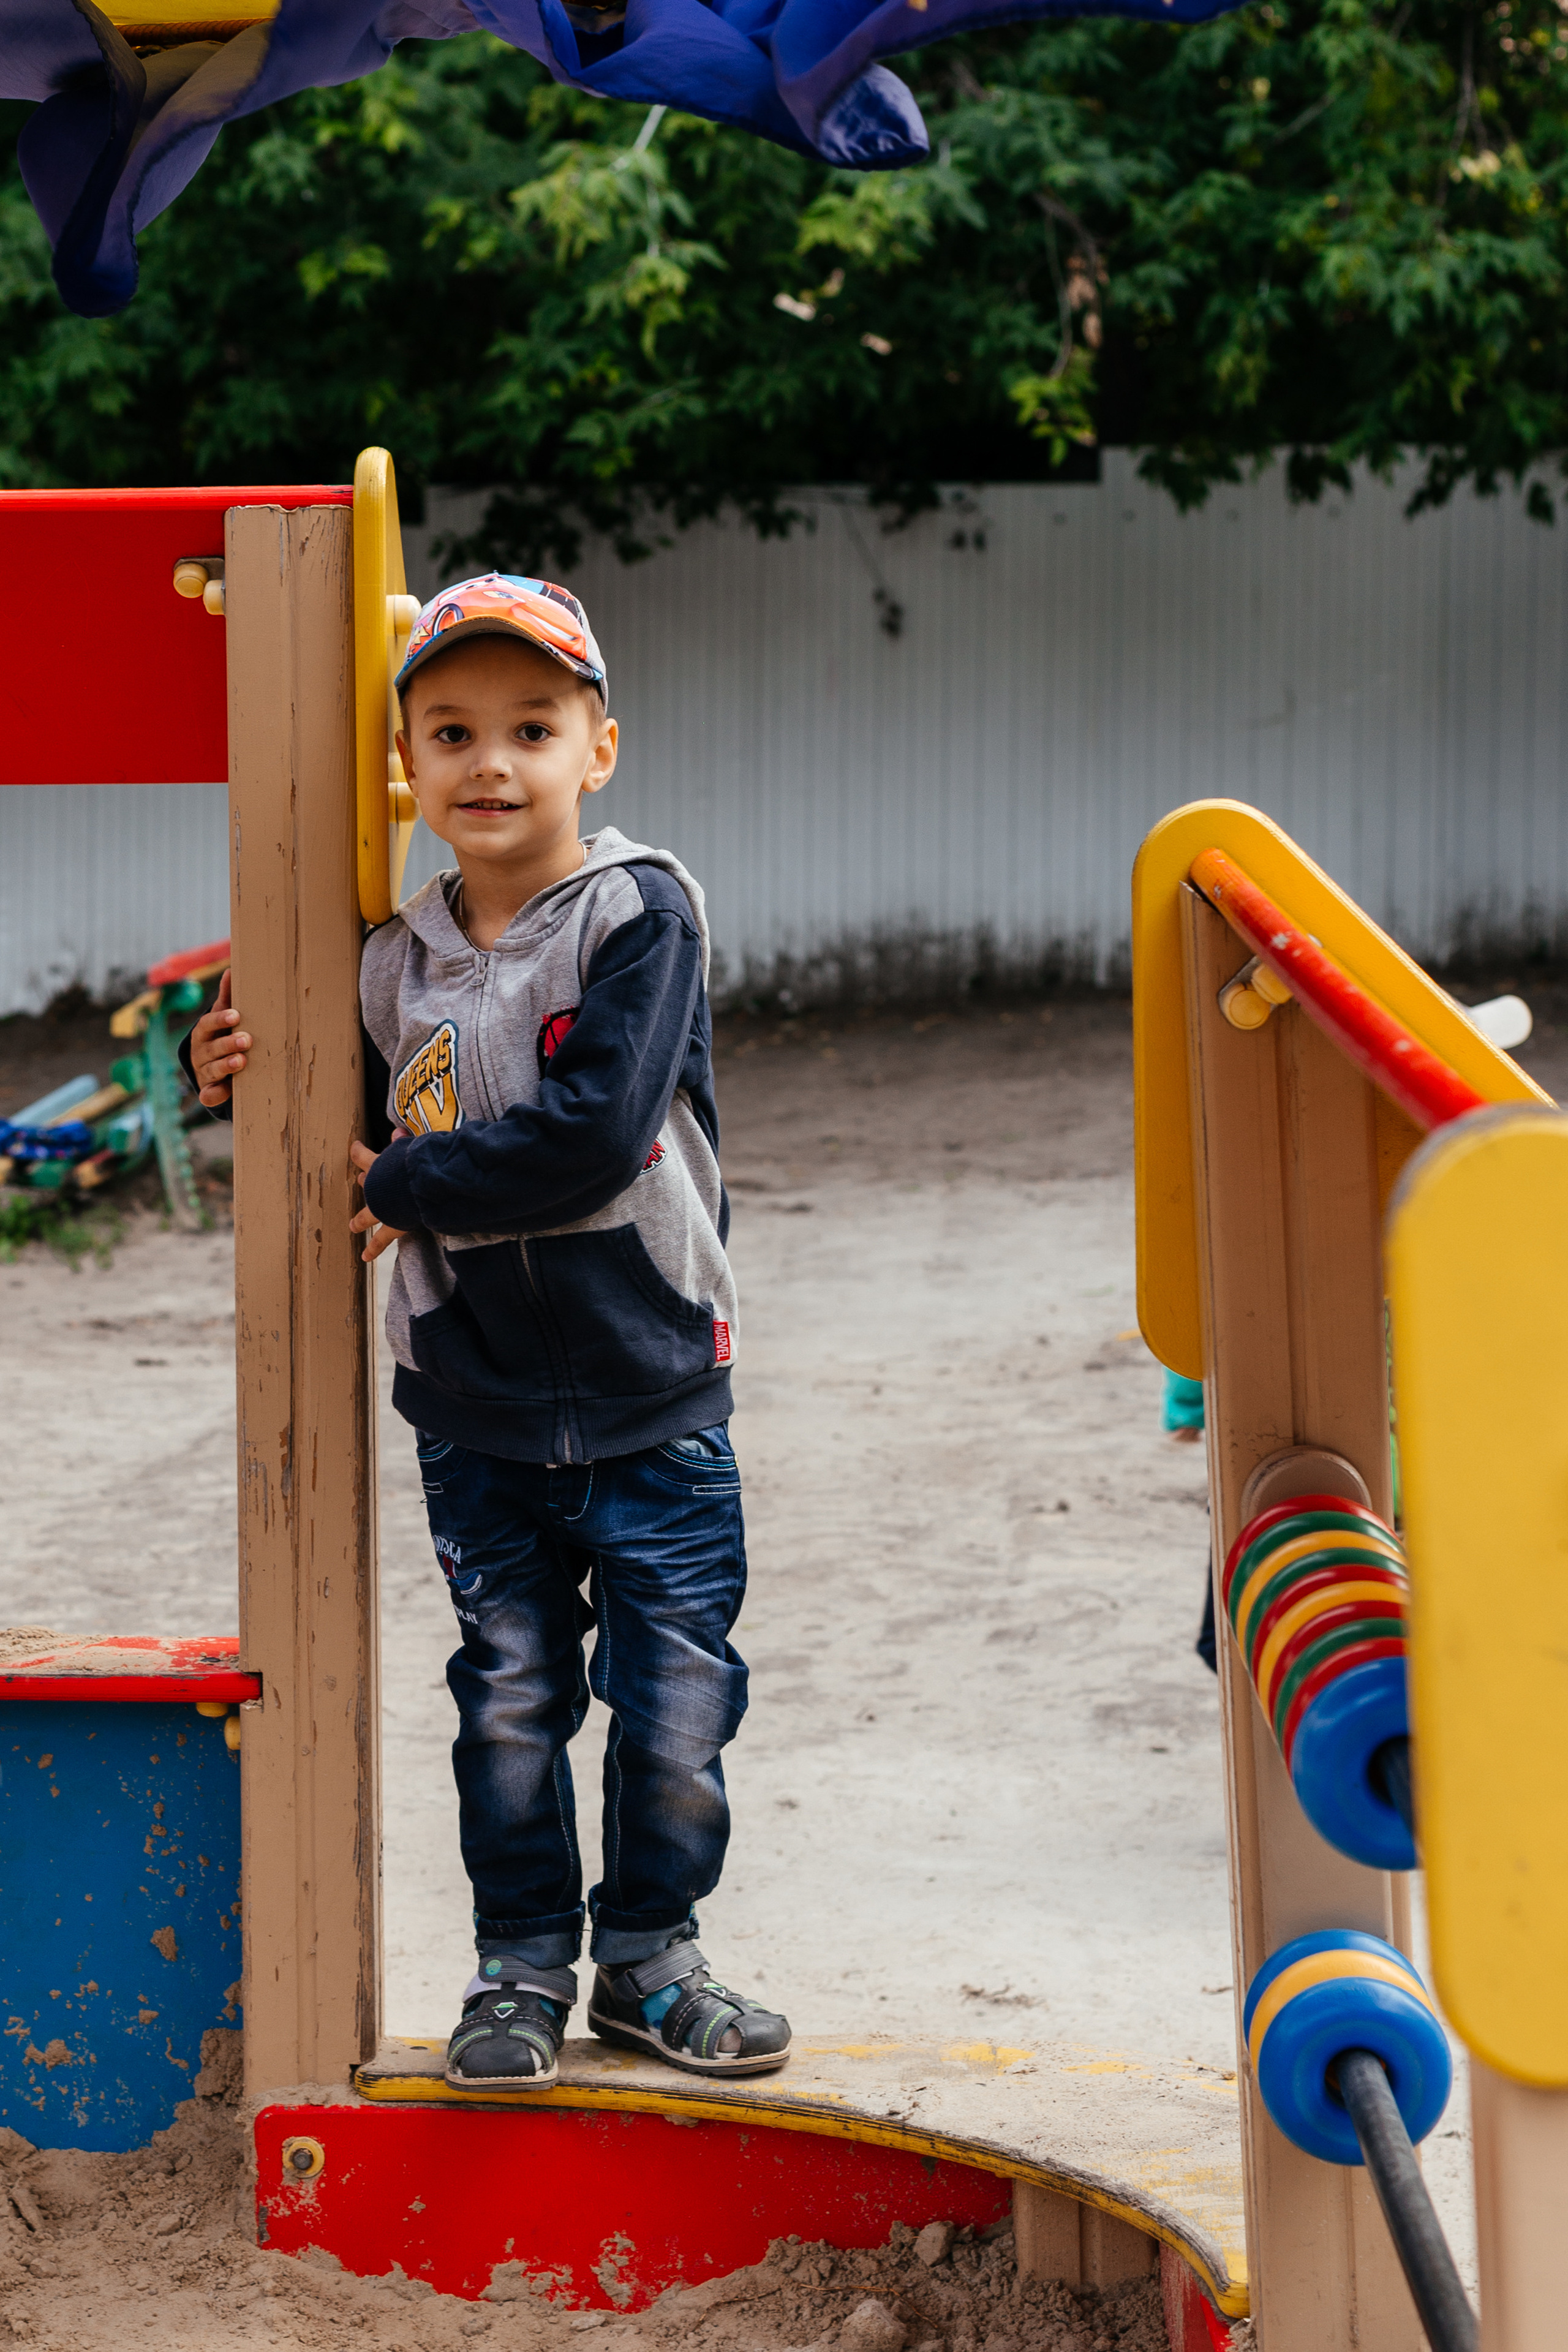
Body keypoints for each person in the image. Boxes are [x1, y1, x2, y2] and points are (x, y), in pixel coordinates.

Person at [185, 571, 791, 2094]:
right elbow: (334, 1120)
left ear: (598, 748)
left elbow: (588, 1144)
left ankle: (650, 1961)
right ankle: (520, 1965)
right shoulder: (389, 960)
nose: (490, 761)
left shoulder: (637, 915)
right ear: (408, 766)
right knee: (512, 1701)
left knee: (673, 1704)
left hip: (652, 1389)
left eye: (532, 724)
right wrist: (232, 1066)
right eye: (449, 731)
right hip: (475, 1403)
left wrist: (402, 1177)